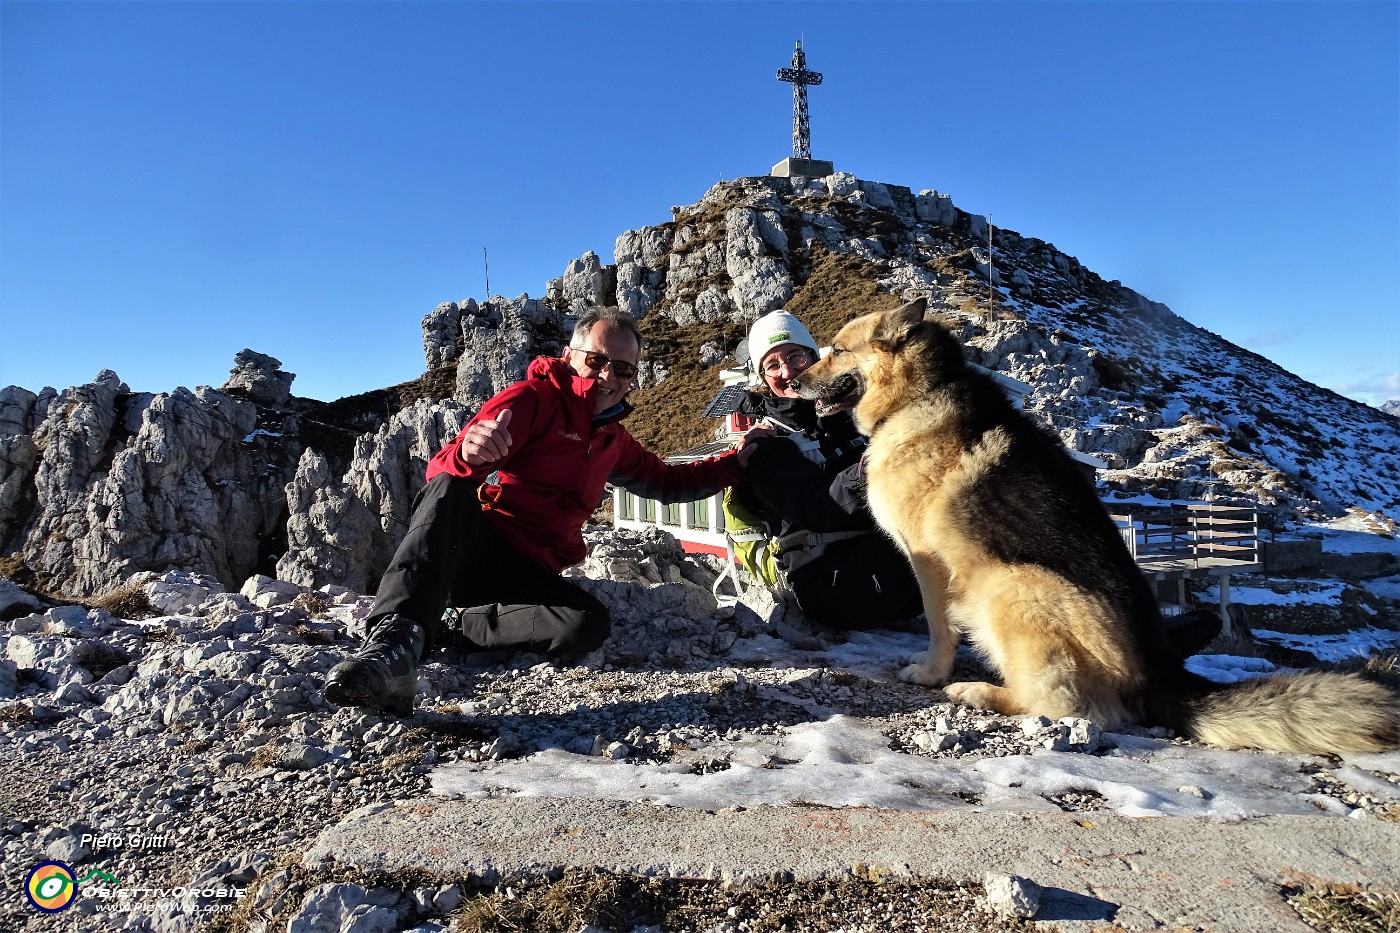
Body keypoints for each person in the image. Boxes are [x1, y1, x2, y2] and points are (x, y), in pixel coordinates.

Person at [325, 308, 757, 715]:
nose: (609, 375)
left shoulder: (612, 440)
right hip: (473, 548)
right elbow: (444, 470)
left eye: (623, 368)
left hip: (530, 571)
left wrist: (738, 464)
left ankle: (446, 628)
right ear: (570, 357)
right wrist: (469, 453)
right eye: (597, 360)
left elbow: (665, 481)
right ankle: (395, 642)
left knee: (585, 625)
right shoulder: (533, 398)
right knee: (453, 485)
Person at [729, 311, 923, 631]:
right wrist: (884, 459)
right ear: (763, 378)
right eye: (772, 365)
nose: (787, 371)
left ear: (813, 357)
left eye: (795, 356)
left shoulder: (855, 415)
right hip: (828, 581)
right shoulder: (765, 446)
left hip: (881, 559)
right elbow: (818, 508)